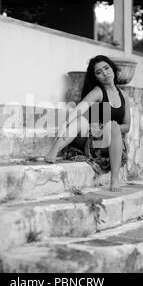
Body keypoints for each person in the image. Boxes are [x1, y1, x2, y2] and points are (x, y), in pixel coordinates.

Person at [45, 55, 131, 191]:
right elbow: (80, 108)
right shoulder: (98, 92)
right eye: (99, 72)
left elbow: (127, 126)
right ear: (96, 77)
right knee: (81, 120)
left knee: (114, 127)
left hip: (113, 143)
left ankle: (114, 179)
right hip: (94, 142)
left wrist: (109, 127)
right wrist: (64, 124)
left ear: (112, 69)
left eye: (106, 68)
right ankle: (55, 149)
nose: (104, 73)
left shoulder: (124, 96)